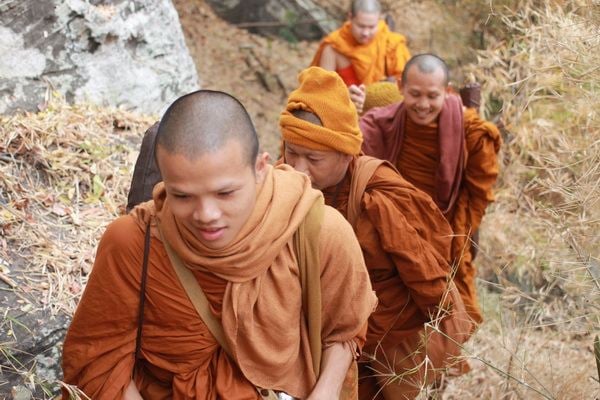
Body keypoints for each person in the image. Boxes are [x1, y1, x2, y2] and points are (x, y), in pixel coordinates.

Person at [61, 90, 377, 399]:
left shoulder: (318, 231)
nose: (206, 216)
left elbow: (344, 331)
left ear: (259, 167)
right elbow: (100, 359)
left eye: (225, 193)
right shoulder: (133, 243)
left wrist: (325, 392)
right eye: (182, 196)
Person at [280, 66, 473, 399]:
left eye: (313, 158)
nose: (299, 169)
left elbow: (429, 286)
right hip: (315, 340)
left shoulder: (379, 198)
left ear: (346, 153)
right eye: (291, 153)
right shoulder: (283, 186)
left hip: (387, 344)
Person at [360, 54, 502, 325]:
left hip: (447, 233)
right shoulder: (382, 122)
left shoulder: (470, 129)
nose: (423, 105)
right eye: (414, 94)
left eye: (432, 96)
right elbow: (353, 149)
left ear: (447, 92)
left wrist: (456, 233)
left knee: (447, 317)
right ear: (400, 87)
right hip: (395, 233)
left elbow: (479, 191)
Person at [310, 0, 410, 114]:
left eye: (371, 27)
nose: (366, 33)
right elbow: (322, 91)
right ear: (350, 17)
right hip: (345, 110)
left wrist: (379, 92)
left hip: (381, 112)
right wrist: (345, 97)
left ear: (379, 20)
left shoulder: (391, 43)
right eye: (361, 26)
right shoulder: (335, 44)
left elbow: (405, 87)